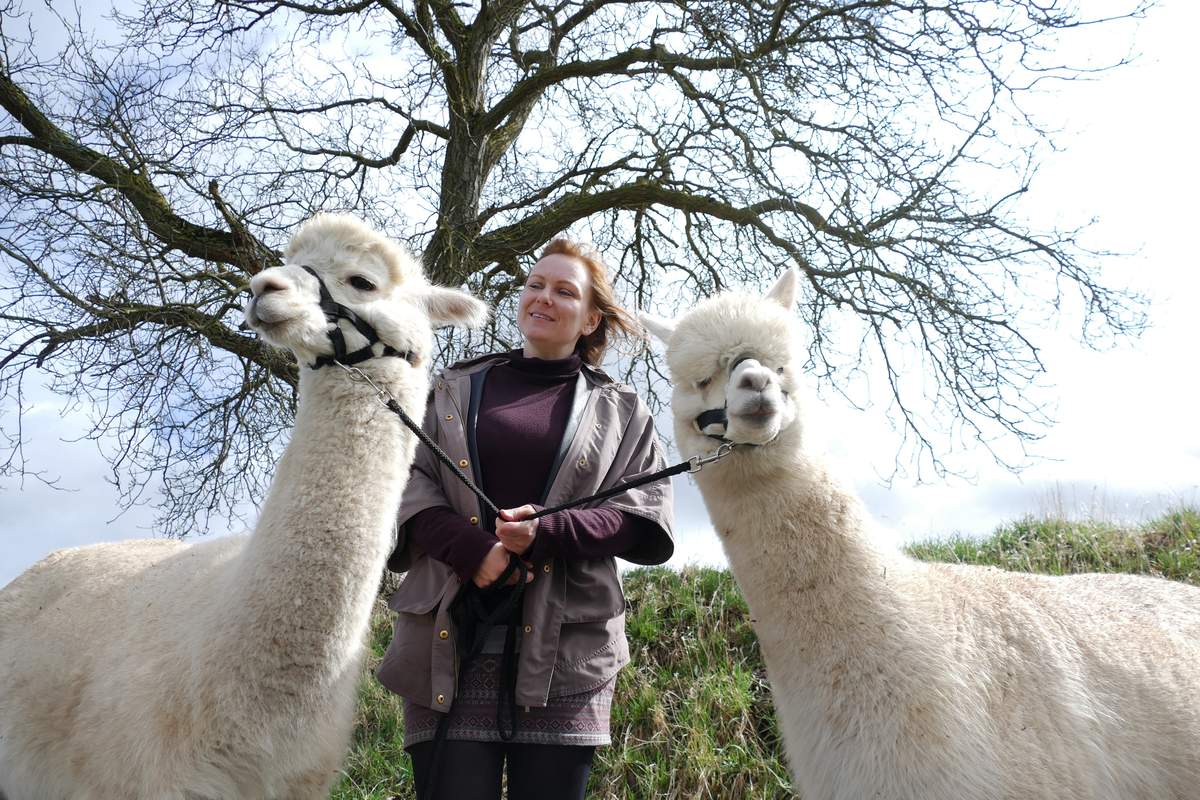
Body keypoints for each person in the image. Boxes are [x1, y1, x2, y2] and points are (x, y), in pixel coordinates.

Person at [377, 238, 675, 800]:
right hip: (447, 649)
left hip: (568, 659)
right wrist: (472, 552)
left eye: (564, 291)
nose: (543, 297)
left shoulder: (624, 409)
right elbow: (406, 485)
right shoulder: (450, 388)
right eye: (535, 284)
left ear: (590, 319)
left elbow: (644, 520)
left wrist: (551, 531)